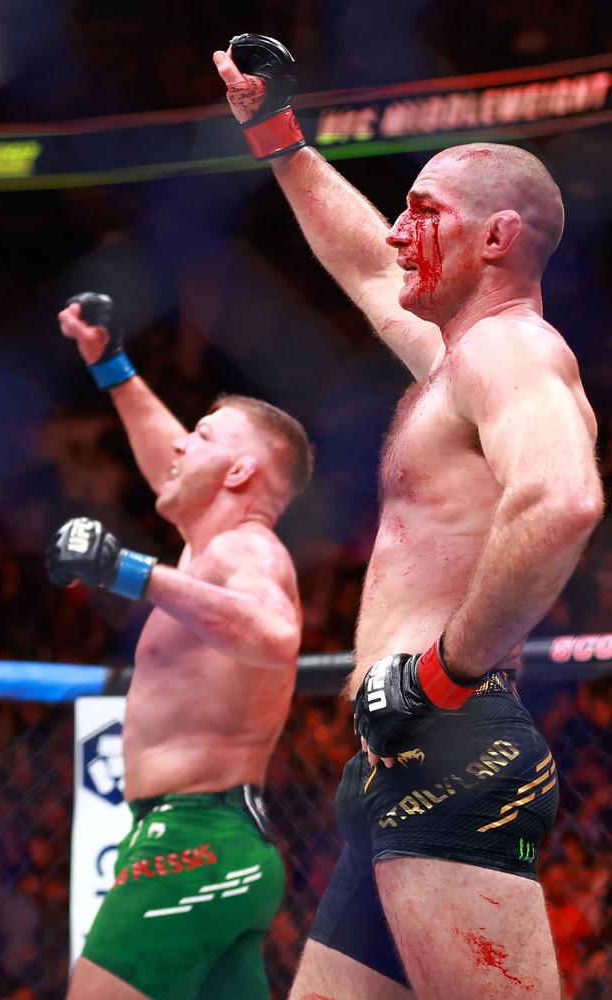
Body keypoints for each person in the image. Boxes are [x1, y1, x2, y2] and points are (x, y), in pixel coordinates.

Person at [214, 36, 604, 1000]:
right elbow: (360, 262)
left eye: (422, 213)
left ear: (498, 238)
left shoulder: (512, 351)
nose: (396, 233)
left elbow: (563, 498)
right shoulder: (452, 360)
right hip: (401, 756)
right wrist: (277, 133)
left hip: (450, 740)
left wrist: (444, 673)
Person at [46, 293, 314, 1000]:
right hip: (206, 842)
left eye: (201, 435)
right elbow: (165, 451)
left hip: (191, 842)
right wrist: (112, 366)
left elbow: (277, 636)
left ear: (236, 474)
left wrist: (128, 572)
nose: (179, 447)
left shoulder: (247, 552)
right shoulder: (210, 552)